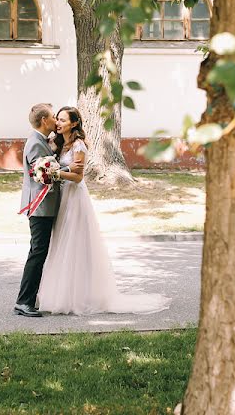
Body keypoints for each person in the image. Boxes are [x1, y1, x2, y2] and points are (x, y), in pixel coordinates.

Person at [37, 106, 170, 315]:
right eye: (58, 119)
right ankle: (58, 293)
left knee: (74, 243)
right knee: (61, 243)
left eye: (63, 120)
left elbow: (78, 176)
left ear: (74, 123)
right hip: (63, 197)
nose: (59, 123)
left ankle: (77, 297)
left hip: (74, 197)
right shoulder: (59, 144)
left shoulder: (79, 145)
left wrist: (55, 174)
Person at [13, 103, 81, 317]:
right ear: (44, 120)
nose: (55, 120)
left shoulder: (43, 141)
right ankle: (24, 302)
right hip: (40, 206)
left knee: (40, 251)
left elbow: (47, 166)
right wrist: (67, 169)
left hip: (47, 205)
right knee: (38, 252)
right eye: (53, 117)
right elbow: (41, 173)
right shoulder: (35, 143)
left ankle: (30, 299)